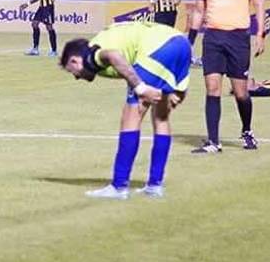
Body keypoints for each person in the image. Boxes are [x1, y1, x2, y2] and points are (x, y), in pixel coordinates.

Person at [58, 21, 192, 199]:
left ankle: (119, 186)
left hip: (157, 48)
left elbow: (113, 55)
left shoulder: (91, 55)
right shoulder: (106, 40)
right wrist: (178, 93)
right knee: (161, 117)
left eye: (72, 71)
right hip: (181, 43)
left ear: (74, 60)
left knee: (131, 116)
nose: (76, 77)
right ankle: (155, 185)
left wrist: (140, 88)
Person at [187, 0, 264, 154]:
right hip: (213, 38)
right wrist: (189, 41)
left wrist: (260, 33)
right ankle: (213, 141)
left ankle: (247, 131)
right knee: (212, 88)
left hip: (238, 38)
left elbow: (258, 4)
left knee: (240, 92)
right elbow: (199, 11)